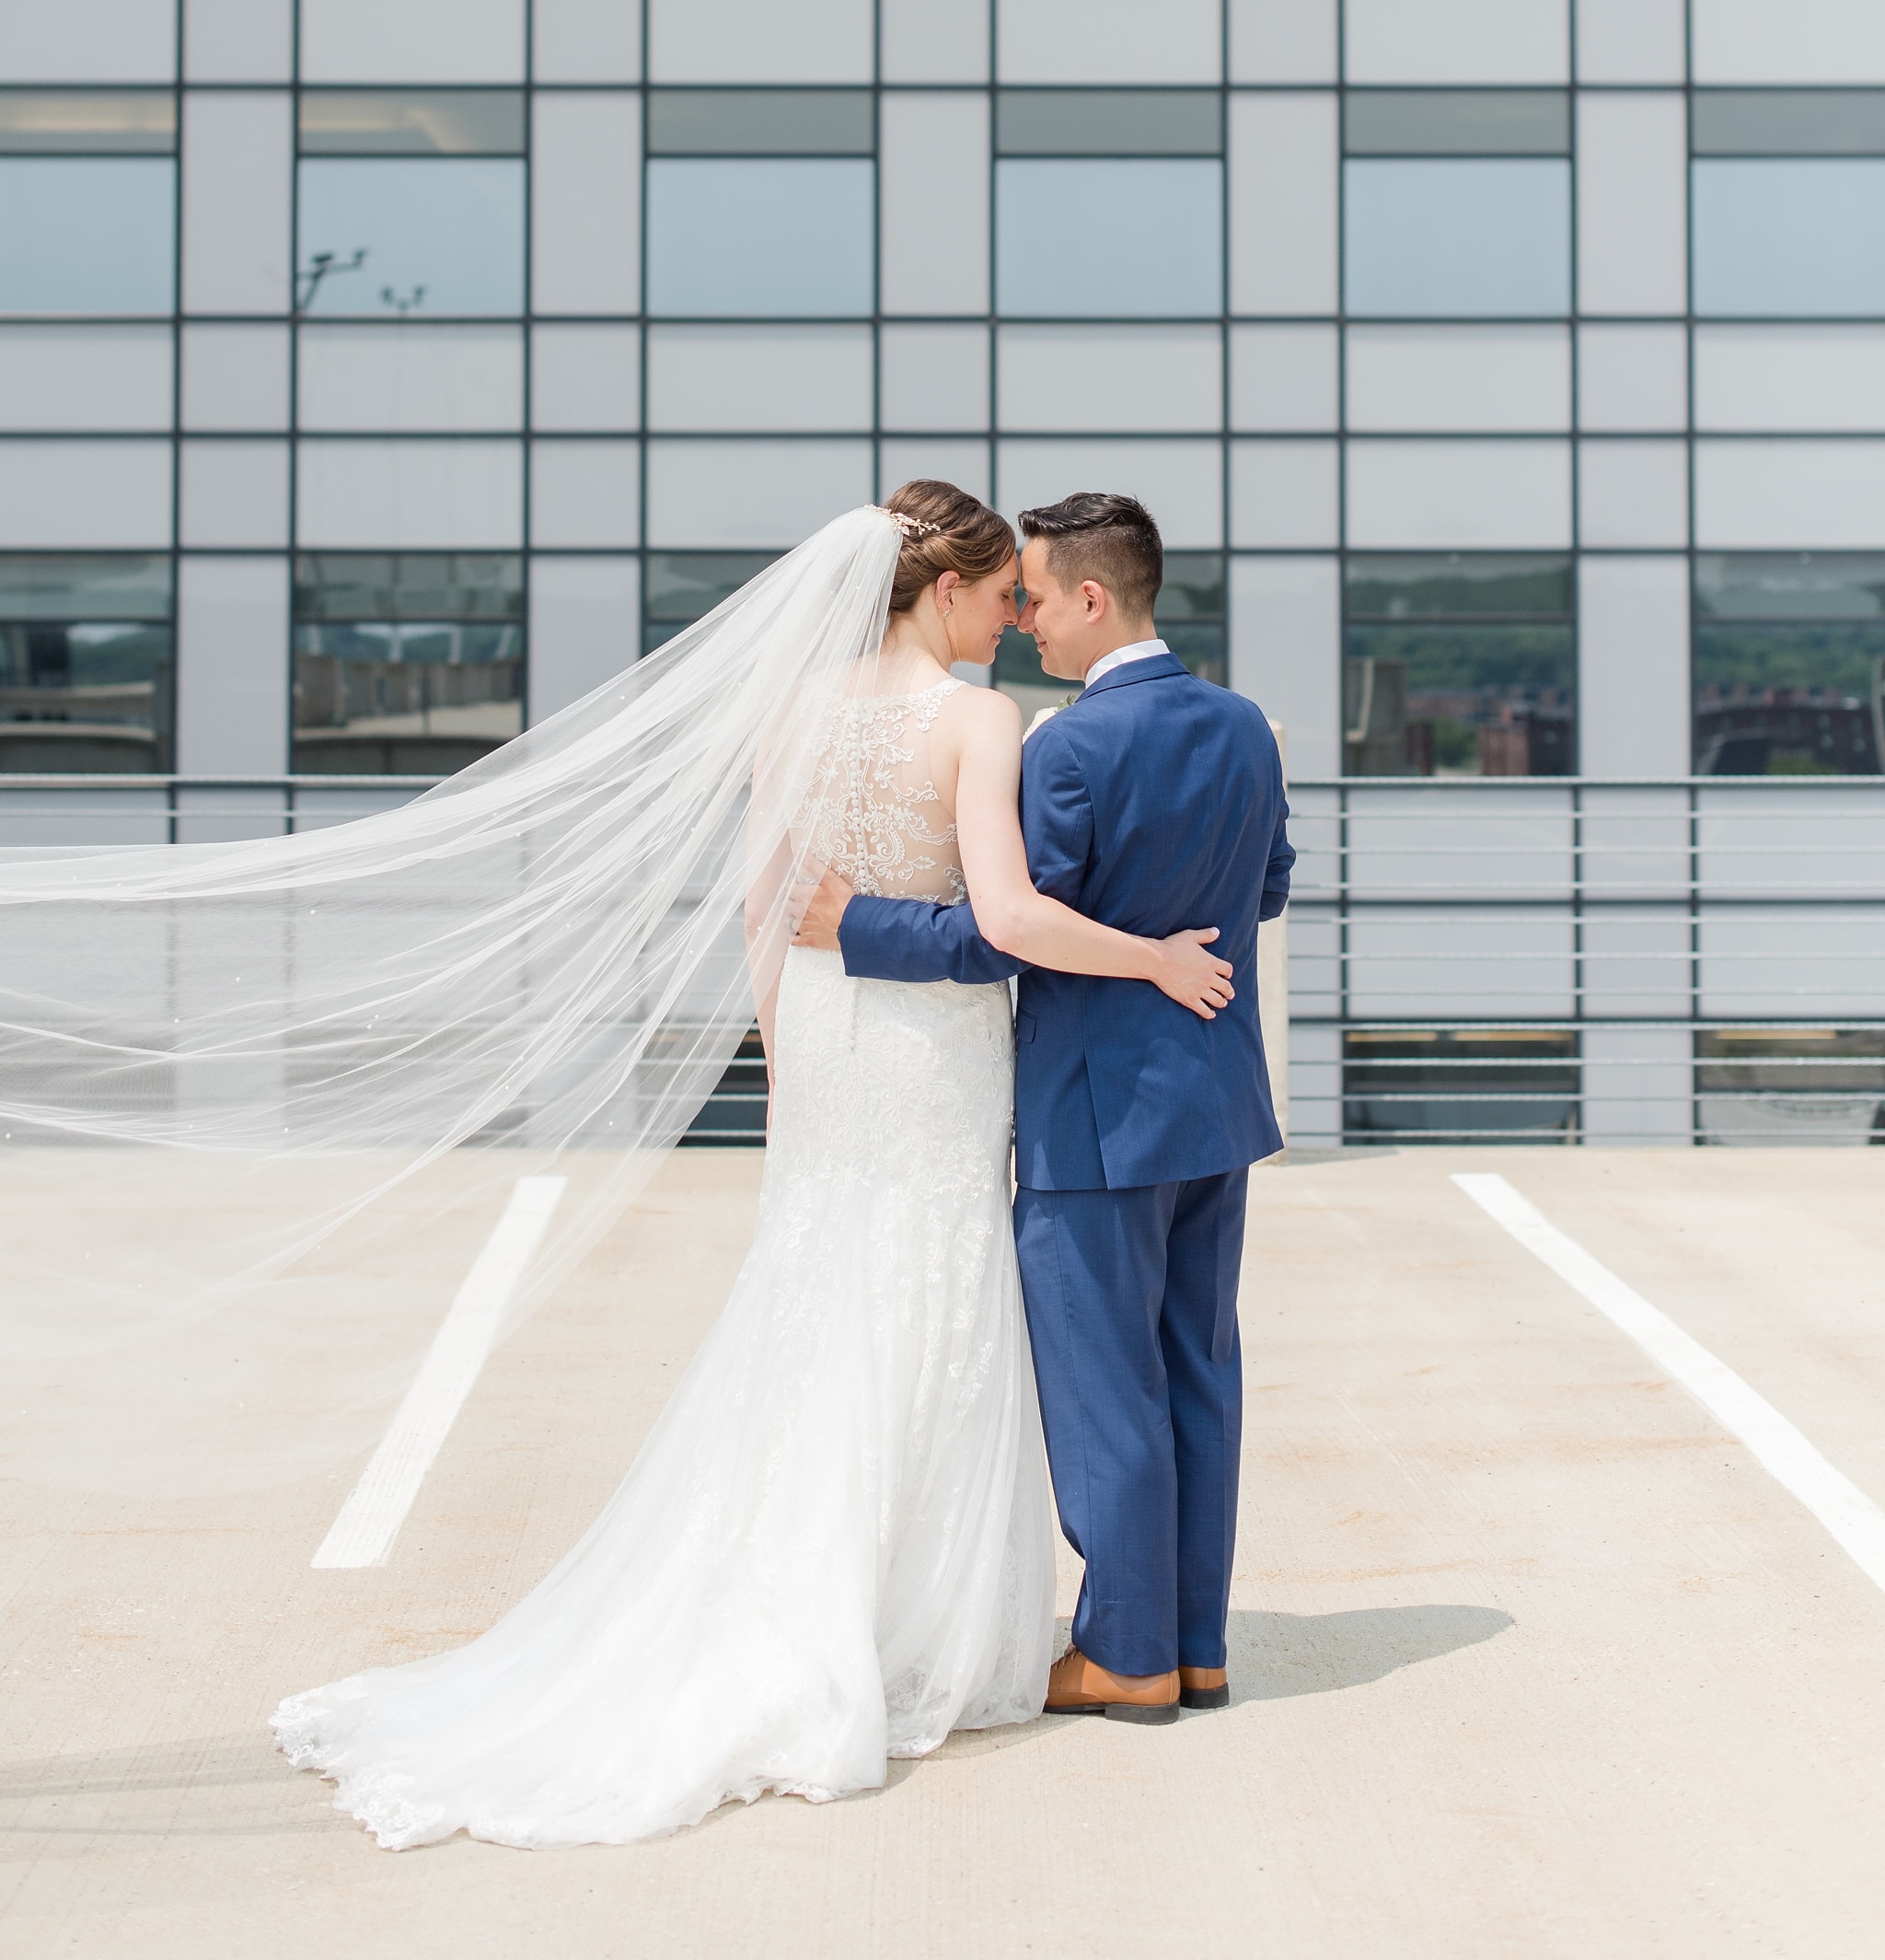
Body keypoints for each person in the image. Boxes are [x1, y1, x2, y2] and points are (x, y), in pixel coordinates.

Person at [272, 482, 1235, 1848]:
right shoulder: (981, 722)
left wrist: (788, 1066)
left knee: (820, 1305)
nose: (1010, 620)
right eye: (996, 596)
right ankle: (912, 1622)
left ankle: (795, 1590)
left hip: (832, 1046)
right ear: (945, 592)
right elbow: (1011, 915)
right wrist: (1150, 956)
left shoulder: (792, 712)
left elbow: (763, 906)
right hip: (933, 1048)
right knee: (935, 1307)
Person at [794, 493, 1292, 1725]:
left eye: (1032, 598)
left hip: (1094, 1116)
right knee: (1198, 1374)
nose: (1019, 621)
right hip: (1216, 1103)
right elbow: (1268, 888)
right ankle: (1196, 1645)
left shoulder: (1066, 747)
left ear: (1091, 597)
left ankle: (1126, 1654)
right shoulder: (1243, 728)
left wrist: (855, 923)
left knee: (1103, 1387)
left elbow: (1004, 938)